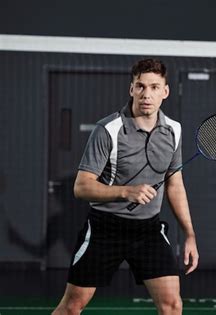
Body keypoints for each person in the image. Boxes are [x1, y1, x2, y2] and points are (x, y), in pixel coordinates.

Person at [52, 58, 199, 315]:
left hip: (148, 230)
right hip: (105, 228)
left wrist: (190, 235)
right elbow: (81, 187)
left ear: (165, 92)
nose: (146, 94)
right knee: (72, 307)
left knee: (172, 305)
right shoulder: (108, 130)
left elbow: (175, 184)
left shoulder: (174, 131)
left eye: (154, 87)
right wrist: (125, 191)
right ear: (131, 89)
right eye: (140, 86)